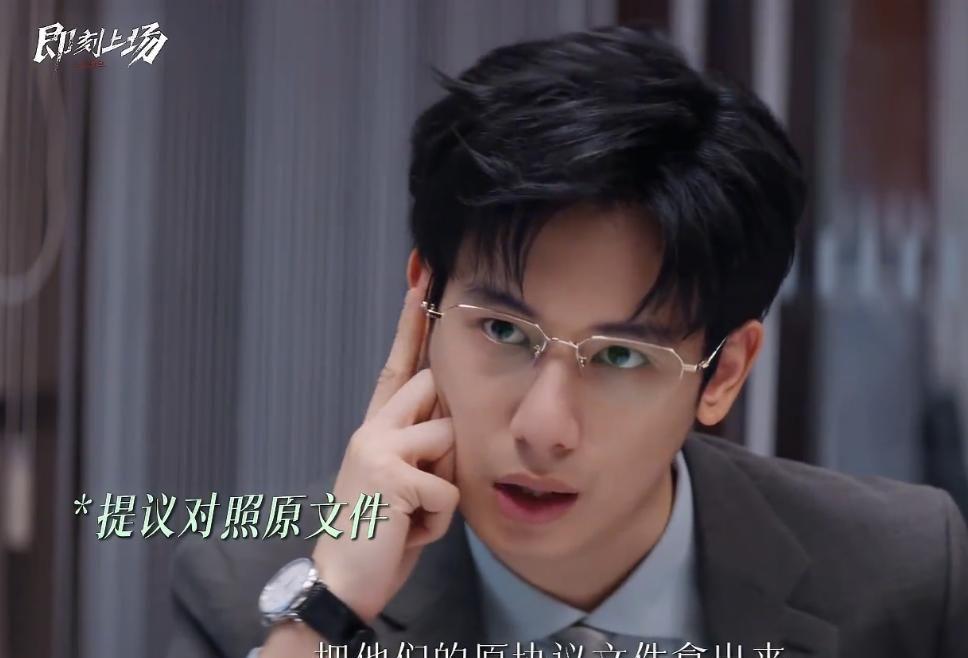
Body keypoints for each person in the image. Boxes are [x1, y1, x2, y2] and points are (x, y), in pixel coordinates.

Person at [167, 25, 968, 658]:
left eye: (622, 356)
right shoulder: (252, 595)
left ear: (724, 371)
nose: (543, 428)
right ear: (424, 303)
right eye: (504, 331)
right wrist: (329, 613)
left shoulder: (900, 577)